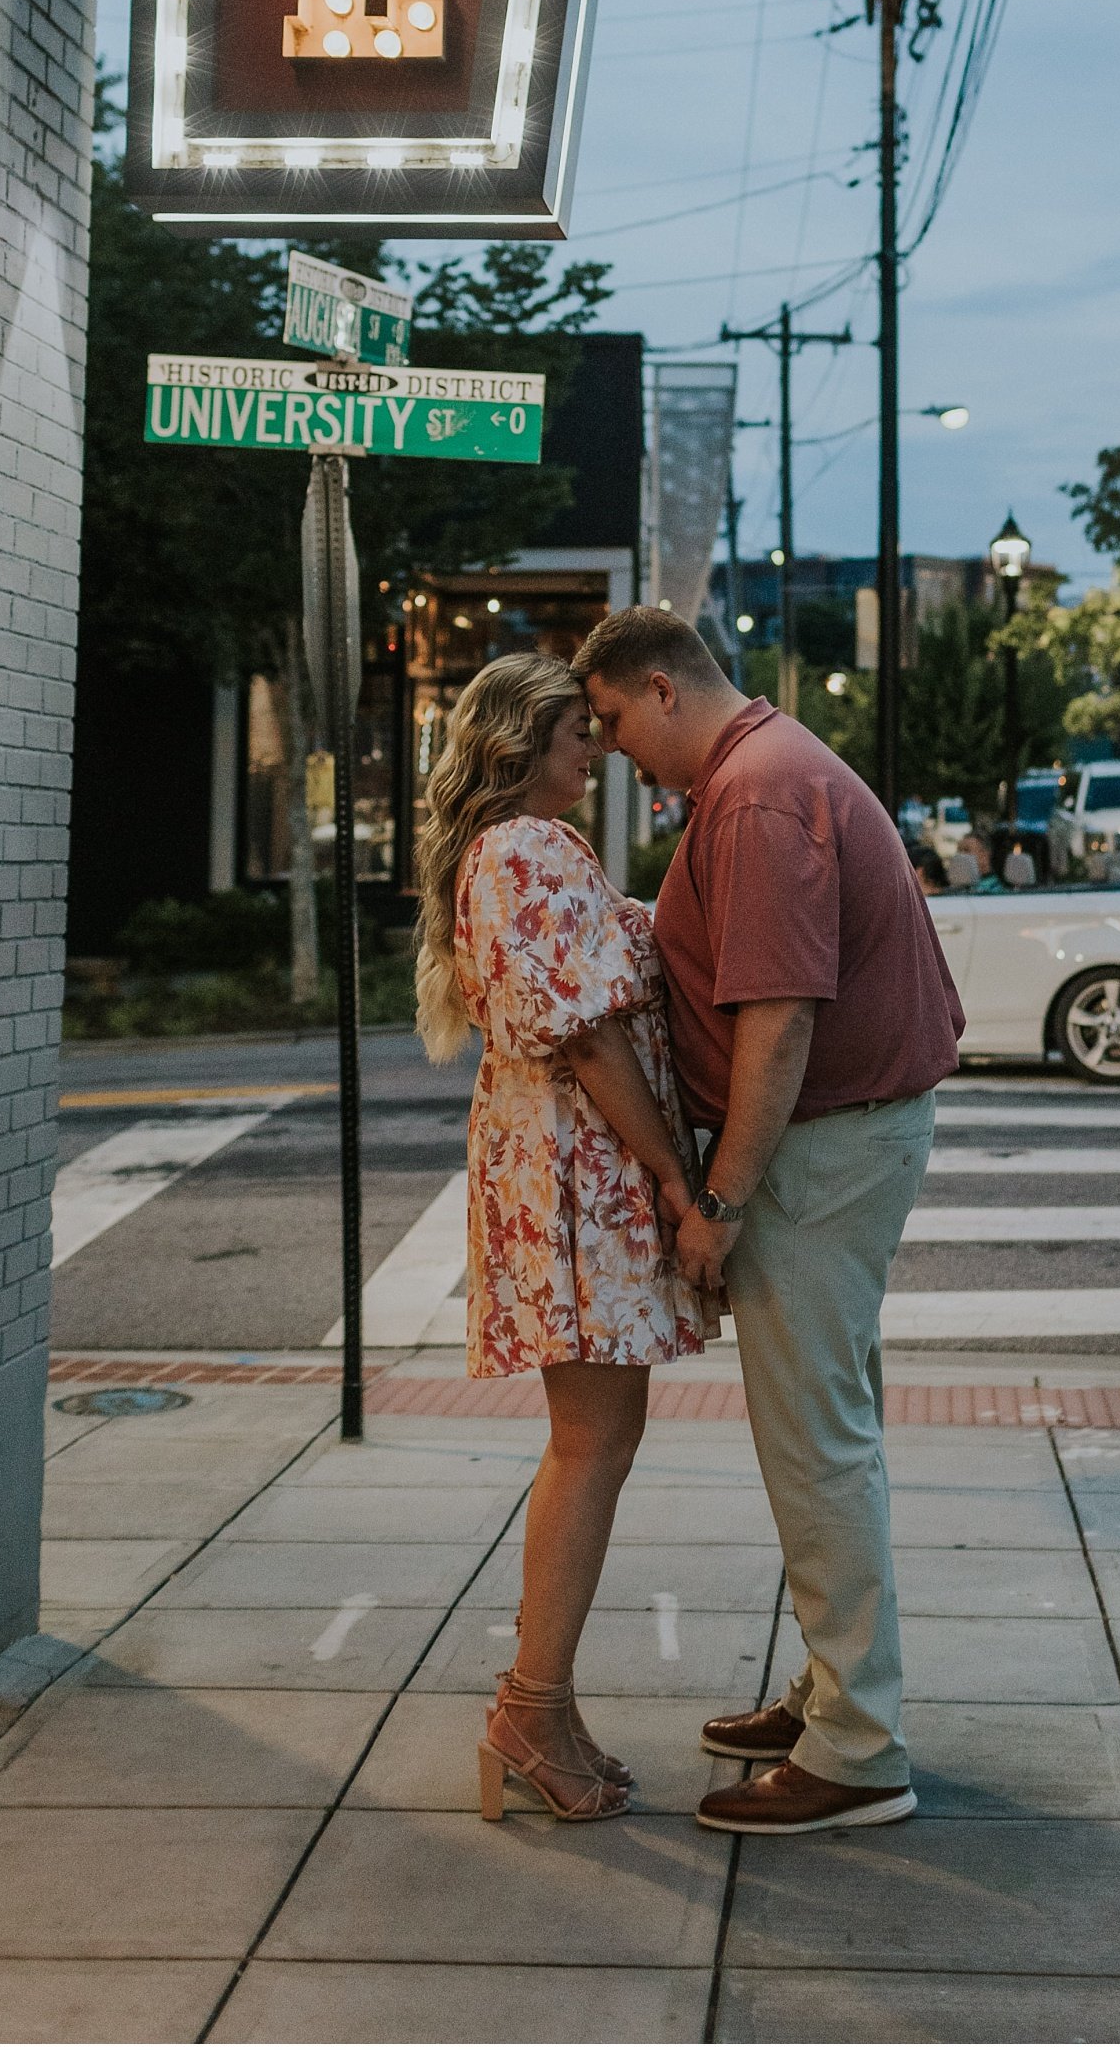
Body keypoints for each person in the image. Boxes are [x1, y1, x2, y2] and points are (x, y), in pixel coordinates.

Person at [570, 606, 964, 1836]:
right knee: (830, 1427)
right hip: (847, 1137)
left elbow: (780, 1018)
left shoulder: (752, 797)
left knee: (814, 1443)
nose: (612, 749)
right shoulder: (773, 765)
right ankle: (837, 1693)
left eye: (613, 721)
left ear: (661, 686)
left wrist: (721, 1202)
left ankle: (855, 1749)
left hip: (819, 1151)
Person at [413, 652, 719, 1824]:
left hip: (549, 1169)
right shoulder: (527, 851)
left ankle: (547, 1703)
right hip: (572, 1176)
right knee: (590, 1442)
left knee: (597, 1435)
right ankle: (530, 1709)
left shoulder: (518, 853)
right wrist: (676, 1176)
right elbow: (589, 1042)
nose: (592, 748)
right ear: (518, 747)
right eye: (572, 733)